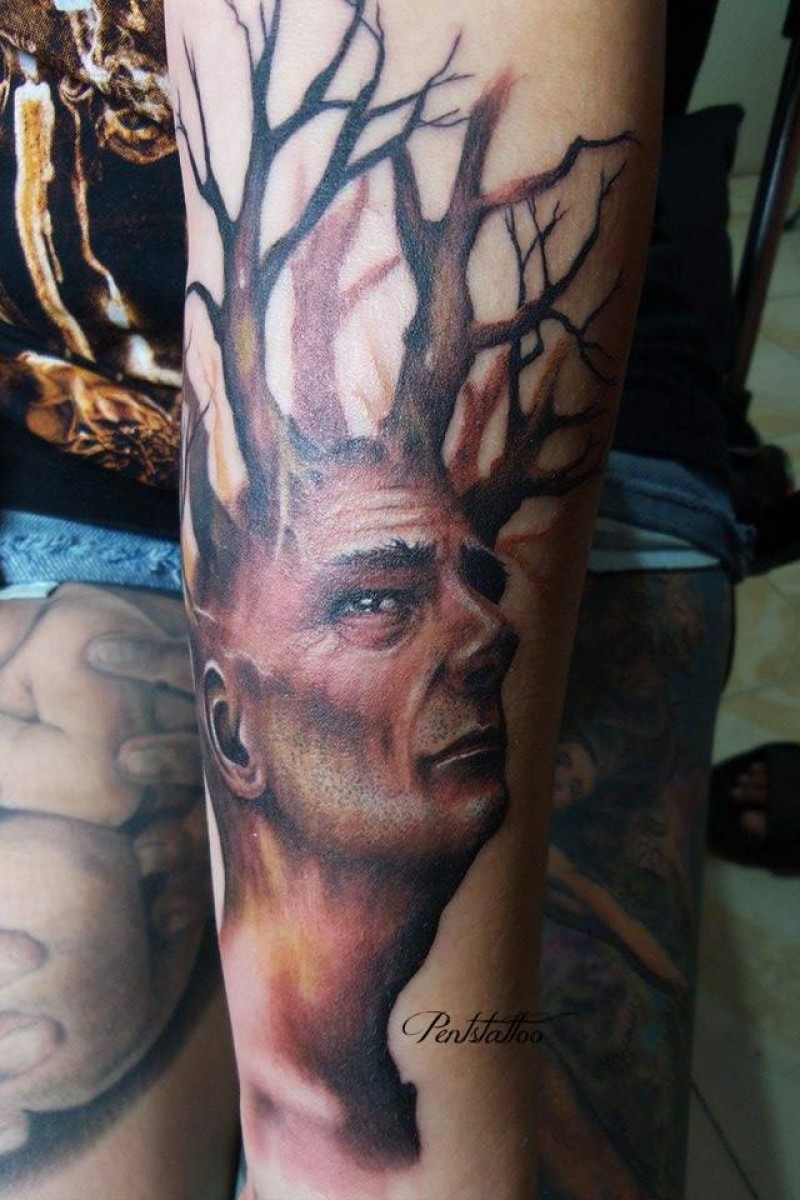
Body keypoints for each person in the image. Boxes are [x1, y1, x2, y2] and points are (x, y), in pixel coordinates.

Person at [0, 1, 751, 1197]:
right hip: (83, 453)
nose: (487, 629)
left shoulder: (476, 524)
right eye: (383, 604)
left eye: (469, 585)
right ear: (235, 723)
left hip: (566, 460)